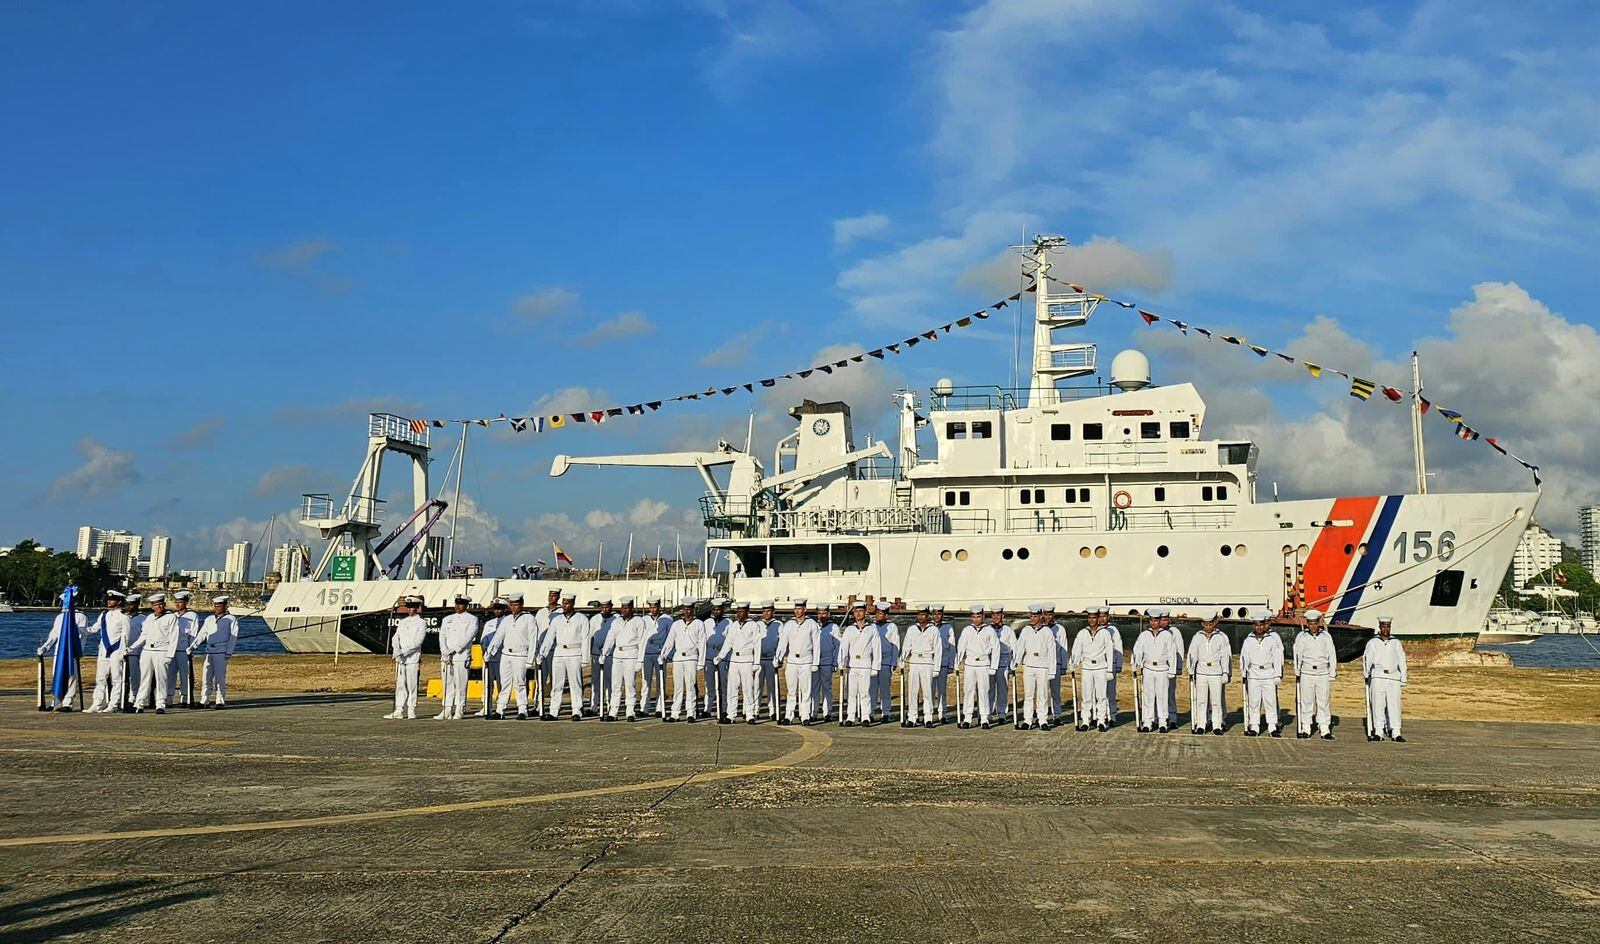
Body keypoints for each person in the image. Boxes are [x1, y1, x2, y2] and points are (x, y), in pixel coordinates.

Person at [36, 591, 90, 711]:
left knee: (71, 676)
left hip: (72, 652)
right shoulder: (60, 617)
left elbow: (80, 636)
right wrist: (46, 646)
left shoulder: (81, 617)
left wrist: (76, 650)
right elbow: (54, 634)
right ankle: (56, 701)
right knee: (57, 675)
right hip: (59, 651)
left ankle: (67, 703)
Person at [539, 593, 589, 720]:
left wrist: (585, 658)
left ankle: (577, 710)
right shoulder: (557, 620)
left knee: (575, 683)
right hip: (559, 651)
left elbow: (586, 639)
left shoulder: (581, 618)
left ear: (572, 604)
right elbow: (549, 638)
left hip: (574, 651)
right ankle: (553, 711)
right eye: (564, 603)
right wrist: (542, 653)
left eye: (567, 603)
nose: (565, 606)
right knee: (557, 683)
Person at [488, 592, 536, 719]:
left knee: (519, 683)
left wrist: (530, 659)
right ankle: (500, 710)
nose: (514, 607)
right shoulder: (507, 619)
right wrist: (490, 651)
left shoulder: (529, 618)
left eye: (516, 604)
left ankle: (522, 709)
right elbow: (498, 637)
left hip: (521, 654)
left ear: (521, 604)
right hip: (506, 654)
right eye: (512, 605)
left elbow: (533, 639)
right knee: (504, 684)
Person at [128, 593, 179, 713]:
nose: (158, 607)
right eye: (156, 605)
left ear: (164, 605)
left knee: (161, 679)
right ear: (152, 607)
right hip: (147, 651)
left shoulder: (171, 617)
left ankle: (160, 703)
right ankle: (139, 703)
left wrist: (170, 655)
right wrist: (133, 647)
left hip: (162, 651)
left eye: (160, 605)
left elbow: (174, 637)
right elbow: (144, 635)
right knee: (145, 678)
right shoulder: (149, 618)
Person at [1132, 607, 1180, 733]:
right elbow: (1138, 650)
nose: (1154, 623)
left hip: (1162, 668)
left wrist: (1172, 670)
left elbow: (1171, 653)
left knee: (1162, 696)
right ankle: (1148, 721)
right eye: (1152, 620)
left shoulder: (1167, 635)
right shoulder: (1144, 635)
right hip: (1148, 668)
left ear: (1160, 621)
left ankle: (1163, 721)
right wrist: (1135, 662)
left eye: (1156, 620)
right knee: (1148, 696)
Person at [1293, 608, 1338, 740]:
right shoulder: (1302, 637)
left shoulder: (1326, 637)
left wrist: (1332, 672)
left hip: (1322, 672)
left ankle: (1324, 728)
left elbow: (1332, 655)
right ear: (1307, 623)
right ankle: (1306, 727)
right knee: (1306, 701)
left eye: (1315, 623)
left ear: (1319, 623)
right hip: (1307, 672)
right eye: (1310, 623)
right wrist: (1297, 670)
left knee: (1323, 701)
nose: (1313, 626)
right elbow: (1297, 655)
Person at [717, 602, 764, 724]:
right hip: (734, 659)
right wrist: (721, 656)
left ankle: (750, 714)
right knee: (732, 689)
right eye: (738, 611)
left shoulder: (753, 625)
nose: (739, 614)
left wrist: (756, 662)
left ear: (747, 612)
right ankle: (731, 715)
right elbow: (728, 642)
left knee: (748, 689)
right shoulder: (734, 626)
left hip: (747, 659)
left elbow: (757, 644)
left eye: (742, 611)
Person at [774, 600, 820, 724]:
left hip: (806, 661)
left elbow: (816, 644)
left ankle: (805, 715)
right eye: (795, 609)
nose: (797, 611)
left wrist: (815, 662)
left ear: (805, 610)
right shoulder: (789, 624)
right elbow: (783, 643)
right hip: (792, 661)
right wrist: (778, 657)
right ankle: (789, 716)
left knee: (806, 690)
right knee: (791, 690)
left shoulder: (812, 624)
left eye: (799, 609)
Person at [1363, 617, 1408, 742]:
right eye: (1383, 626)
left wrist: (1403, 677)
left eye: (1388, 626)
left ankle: (1396, 731)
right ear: (1379, 627)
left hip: (1393, 677)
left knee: (1394, 705)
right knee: (1378, 705)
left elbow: (1401, 660)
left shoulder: (1396, 642)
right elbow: (1368, 659)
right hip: (1378, 676)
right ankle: (1378, 731)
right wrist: (1366, 674)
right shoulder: (1373, 642)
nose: (1386, 629)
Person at [603, 597, 648, 721]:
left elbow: (642, 641)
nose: (624, 610)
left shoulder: (638, 621)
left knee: (629, 684)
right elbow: (610, 637)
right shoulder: (617, 621)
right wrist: (605, 653)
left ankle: (630, 711)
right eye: (623, 607)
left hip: (631, 653)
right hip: (618, 653)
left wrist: (640, 660)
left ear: (632, 608)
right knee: (615, 684)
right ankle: (613, 711)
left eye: (627, 608)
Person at [1071, 608, 1117, 732]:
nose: (1092, 620)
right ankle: (1086, 720)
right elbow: (1076, 649)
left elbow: (1109, 652)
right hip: (1087, 667)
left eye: (1094, 618)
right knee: (1086, 696)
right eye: (1089, 618)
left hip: (1101, 667)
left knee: (1101, 696)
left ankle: (1101, 721)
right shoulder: (1082, 633)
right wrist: (1074, 662)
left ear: (1098, 618)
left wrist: (1109, 670)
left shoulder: (1105, 633)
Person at [86, 590, 131, 713]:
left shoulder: (124, 616)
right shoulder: (104, 615)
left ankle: (113, 704)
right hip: (104, 650)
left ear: (119, 601)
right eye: (108, 599)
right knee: (100, 678)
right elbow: (95, 628)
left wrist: (122, 651)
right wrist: (79, 629)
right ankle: (97, 703)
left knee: (116, 678)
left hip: (117, 650)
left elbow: (126, 635)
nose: (109, 601)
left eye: (112, 599)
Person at [191, 595, 239, 709]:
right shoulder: (209, 619)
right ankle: (205, 699)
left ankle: (220, 700)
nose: (217, 608)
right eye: (216, 606)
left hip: (221, 650)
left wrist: (229, 651)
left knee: (220, 677)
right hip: (209, 650)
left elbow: (233, 637)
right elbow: (202, 634)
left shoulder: (231, 619)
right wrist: (193, 645)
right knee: (206, 677)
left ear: (225, 606)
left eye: (220, 606)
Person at [1187, 613, 1231, 735]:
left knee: (1216, 700)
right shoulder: (1197, 637)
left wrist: (1225, 672)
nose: (1208, 627)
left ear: (1215, 623)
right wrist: (1191, 669)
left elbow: (1225, 656)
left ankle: (1217, 725)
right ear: (1202, 624)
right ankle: (1201, 724)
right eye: (1206, 624)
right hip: (1201, 671)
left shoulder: (1220, 637)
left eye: (1210, 624)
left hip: (1216, 672)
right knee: (1201, 700)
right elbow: (1192, 654)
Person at [1016, 604, 1058, 730]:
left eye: (1036, 616)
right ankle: (1027, 720)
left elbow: (1052, 652)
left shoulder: (1047, 631)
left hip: (1043, 666)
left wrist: (1052, 670)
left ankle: (1042, 720)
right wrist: (1016, 661)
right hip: (1029, 665)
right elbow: (1020, 647)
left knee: (1042, 695)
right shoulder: (1026, 630)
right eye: (1032, 616)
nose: (1033, 619)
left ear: (1040, 616)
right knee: (1029, 695)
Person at [384, 597, 428, 720]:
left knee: (412, 684)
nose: (410, 609)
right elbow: (395, 638)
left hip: (412, 658)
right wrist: (396, 650)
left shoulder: (421, 623)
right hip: (400, 658)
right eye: (408, 607)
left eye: (412, 607)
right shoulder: (403, 622)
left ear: (417, 608)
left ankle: (411, 708)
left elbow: (418, 641)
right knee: (400, 684)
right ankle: (399, 709)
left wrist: (404, 651)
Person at [1240, 616, 1284, 737]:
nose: (1259, 627)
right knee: (1254, 701)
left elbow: (1277, 657)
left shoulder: (1271, 639)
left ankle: (1272, 726)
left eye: (1261, 625)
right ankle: (1254, 726)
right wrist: (1243, 672)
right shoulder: (1248, 640)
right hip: (1254, 673)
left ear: (1264, 625)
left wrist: (1277, 674)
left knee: (1270, 701)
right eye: (1256, 625)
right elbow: (1244, 658)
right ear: (1253, 626)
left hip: (1268, 673)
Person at [435, 595, 477, 720]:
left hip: (460, 655)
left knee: (460, 683)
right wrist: (444, 650)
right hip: (446, 656)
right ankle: (446, 709)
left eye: (461, 604)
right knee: (447, 683)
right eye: (456, 603)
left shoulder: (471, 619)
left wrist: (454, 649)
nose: (458, 606)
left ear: (466, 605)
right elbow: (442, 636)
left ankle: (459, 708)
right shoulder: (447, 619)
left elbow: (469, 636)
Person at [898, 605, 942, 728]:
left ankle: (928, 717)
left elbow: (938, 650)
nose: (921, 617)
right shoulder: (912, 629)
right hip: (915, 661)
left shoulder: (933, 630)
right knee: (913, 691)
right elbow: (907, 645)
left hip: (927, 661)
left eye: (923, 615)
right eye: (919, 614)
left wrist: (936, 667)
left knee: (928, 691)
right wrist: (902, 658)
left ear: (927, 616)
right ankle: (912, 717)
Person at [954, 604, 997, 729]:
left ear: (983, 616)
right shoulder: (967, 630)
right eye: (974, 617)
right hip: (970, 663)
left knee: (984, 691)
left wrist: (993, 666)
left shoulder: (989, 630)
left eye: (978, 616)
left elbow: (996, 648)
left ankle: (984, 718)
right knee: (968, 690)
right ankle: (967, 718)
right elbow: (961, 647)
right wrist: (957, 662)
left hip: (983, 663)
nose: (976, 619)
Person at [840, 603, 883, 727]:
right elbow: (844, 648)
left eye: (861, 611)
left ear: (865, 613)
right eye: (856, 611)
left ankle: (865, 716)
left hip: (865, 664)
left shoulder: (872, 629)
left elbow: (876, 649)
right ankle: (850, 716)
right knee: (851, 692)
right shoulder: (849, 629)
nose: (858, 614)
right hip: (852, 665)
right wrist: (842, 662)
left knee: (865, 692)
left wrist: (876, 667)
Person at [662, 598, 704, 722]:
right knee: (678, 686)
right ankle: (675, 712)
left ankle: (691, 712)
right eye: (685, 609)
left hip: (691, 657)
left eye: (689, 609)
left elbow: (702, 644)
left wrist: (701, 661)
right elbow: (669, 641)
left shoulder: (698, 624)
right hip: (678, 657)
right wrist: (663, 654)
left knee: (690, 686)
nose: (687, 612)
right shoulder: (676, 624)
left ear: (693, 610)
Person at [167, 590, 201, 707]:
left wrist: (191, 648)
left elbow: (194, 633)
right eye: (176, 602)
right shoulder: (172, 616)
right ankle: (169, 697)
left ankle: (185, 697)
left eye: (180, 602)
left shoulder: (192, 616)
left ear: (186, 602)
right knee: (170, 674)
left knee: (185, 674)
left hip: (183, 648)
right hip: (171, 649)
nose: (178, 604)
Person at [475, 598, 507, 717]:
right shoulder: (489, 623)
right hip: (489, 658)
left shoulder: (507, 621)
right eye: (495, 608)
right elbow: (483, 640)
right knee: (487, 684)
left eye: (499, 608)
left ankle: (500, 707)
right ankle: (486, 707)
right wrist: (485, 652)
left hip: (502, 657)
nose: (497, 610)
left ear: (504, 609)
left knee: (501, 684)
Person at [702, 598, 731, 720]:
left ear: (722, 609)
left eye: (718, 609)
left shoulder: (729, 622)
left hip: (722, 654)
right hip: (709, 654)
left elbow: (730, 641)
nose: (716, 611)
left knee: (723, 684)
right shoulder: (707, 622)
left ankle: (724, 709)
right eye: (714, 609)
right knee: (709, 685)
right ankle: (707, 708)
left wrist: (727, 658)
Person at [588, 599, 618, 716]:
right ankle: (594, 705)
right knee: (595, 680)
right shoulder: (595, 619)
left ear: (611, 606)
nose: (605, 609)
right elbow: (590, 635)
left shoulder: (616, 619)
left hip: (610, 653)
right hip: (596, 652)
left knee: (609, 680)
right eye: (602, 607)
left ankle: (610, 704)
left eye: (607, 607)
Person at [813, 602, 842, 720]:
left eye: (824, 613)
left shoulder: (833, 627)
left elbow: (838, 645)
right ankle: (813, 711)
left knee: (826, 687)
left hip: (827, 660)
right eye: (819, 613)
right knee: (813, 687)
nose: (822, 615)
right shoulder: (813, 626)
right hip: (814, 661)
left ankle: (827, 711)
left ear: (828, 613)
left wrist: (835, 661)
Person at [643, 595, 671, 714]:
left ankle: (660, 706)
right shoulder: (644, 619)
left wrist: (668, 654)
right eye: (651, 607)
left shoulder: (667, 619)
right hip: (647, 651)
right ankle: (644, 705)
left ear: (659, 607)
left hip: (660, 651)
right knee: (646, 680)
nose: (653, 609)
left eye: (655, 607)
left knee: (661, 680)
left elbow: (670, 637)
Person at [873, 602, 900, 721]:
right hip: (873, 661)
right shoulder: (871, 626)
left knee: (884, 688)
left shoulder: (892, 627)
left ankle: (886, 712)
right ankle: (871, 711)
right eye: (877, 613)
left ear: (886, 615)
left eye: (880, 613)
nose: (878, 616)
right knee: (872, 688)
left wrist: (894, 662)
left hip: (885, 660)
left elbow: (895, 645)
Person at [989, 605, 1015, 723]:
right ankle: (987, 712)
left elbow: (1015, 647)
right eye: (993, 615)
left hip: (1003, 661)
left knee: (1002, 688)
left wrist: (1012, 663)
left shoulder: (1008, 630)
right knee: (988, 689)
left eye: (998, 615)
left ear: (1002, 616)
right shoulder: (987, 629)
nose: (996, 617)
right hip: (989, 662)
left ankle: (1002, 713)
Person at [1047, 604, 1069, 723]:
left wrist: (1063, 666)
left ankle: (1057, 715)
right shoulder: (1040, 629)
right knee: (1042, 692)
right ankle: (1043, 717)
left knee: (1055, 691)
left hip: (1056, 663)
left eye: (1050, 614)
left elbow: (1064, 648)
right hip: (1043, 665)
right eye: (1045, 614)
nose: (1047, 617)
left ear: (1053, 615)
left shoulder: (1059, 629)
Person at [933, 604, 956, 722]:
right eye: (935, 614)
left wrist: (951, 664)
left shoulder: (948, 627)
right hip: (930, 663)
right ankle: (929, 713)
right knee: (929, 690)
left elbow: (952, 647)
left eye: (939, 613)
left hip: (943, 661)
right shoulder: (929, 627)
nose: (937, 616)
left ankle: (943, 714)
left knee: (942, 690)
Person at [1104, 608, 1125, 726]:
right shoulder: (1094, 630)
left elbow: (1118, 647)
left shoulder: (1113, 630)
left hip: (1110, 665)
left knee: (1111, 692)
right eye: (1100, 616)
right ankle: (1098, 716)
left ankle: (1112, 716)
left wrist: (1119, 664)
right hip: (1098, 665)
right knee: (1097, 693)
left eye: (1104, 616)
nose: (1102, 619)